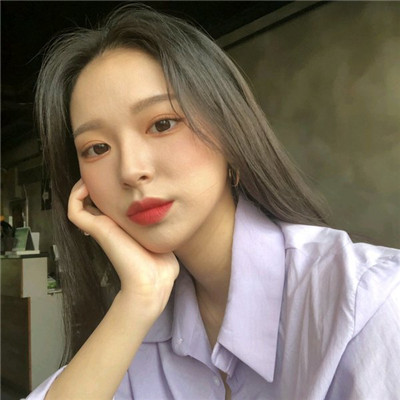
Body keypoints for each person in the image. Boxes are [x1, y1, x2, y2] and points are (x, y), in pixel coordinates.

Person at [26, 4, 399, 400]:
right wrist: (139, 299)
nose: (131, 170)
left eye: (162, 124)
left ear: (230, 132)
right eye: (97, 148)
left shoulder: (368, 306)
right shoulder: (142, 321)